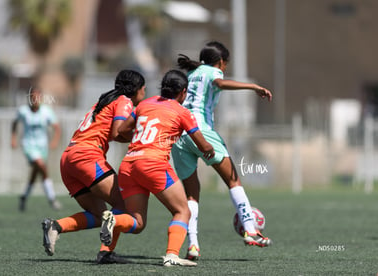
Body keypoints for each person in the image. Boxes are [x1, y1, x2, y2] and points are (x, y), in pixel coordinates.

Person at [99, 70, 215, 267]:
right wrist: (209, 149)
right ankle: (172, 254)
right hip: (153, 164)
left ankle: (114, 221)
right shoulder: (182, 112)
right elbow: (203, 145)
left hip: (129, 164)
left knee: (137, 223)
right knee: (182, 211)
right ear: (183, 92)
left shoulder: (145, 103)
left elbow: (122, 130)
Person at [171, 41, 273, 260]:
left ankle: (193, 245)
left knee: (191, 195)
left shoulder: (191, 74)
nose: (224, 69)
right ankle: (251, 230)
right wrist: (252, 87)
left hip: (179, 135)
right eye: (225, 65)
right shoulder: (212, 71)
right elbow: (220, 82)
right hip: (200, 129)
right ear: (221, 62)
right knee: (233, 181)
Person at [41, 70, 146, 264]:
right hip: (87, 156)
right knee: (123, 205)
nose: (145, 91)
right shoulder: (125, 101)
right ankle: (105, 253)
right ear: (136, 89)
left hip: (69, 158)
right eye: (144, 88)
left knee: (99, 215)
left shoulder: (102, 102)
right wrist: (143, 137)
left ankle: (56, 226)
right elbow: (117, 132)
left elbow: (114, 133)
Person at [11, 86, 62, 211]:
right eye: (33, 97)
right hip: (29, 145)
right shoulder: (23, 111)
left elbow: (56, 127)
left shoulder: (46, 111)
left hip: (42, 146)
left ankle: (23, 197)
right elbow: (14, 123)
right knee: (41, 165)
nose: (35, 99)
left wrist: (55, 141)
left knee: (36, 173)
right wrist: (13, 138)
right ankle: (52, 198)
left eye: (37, 97)